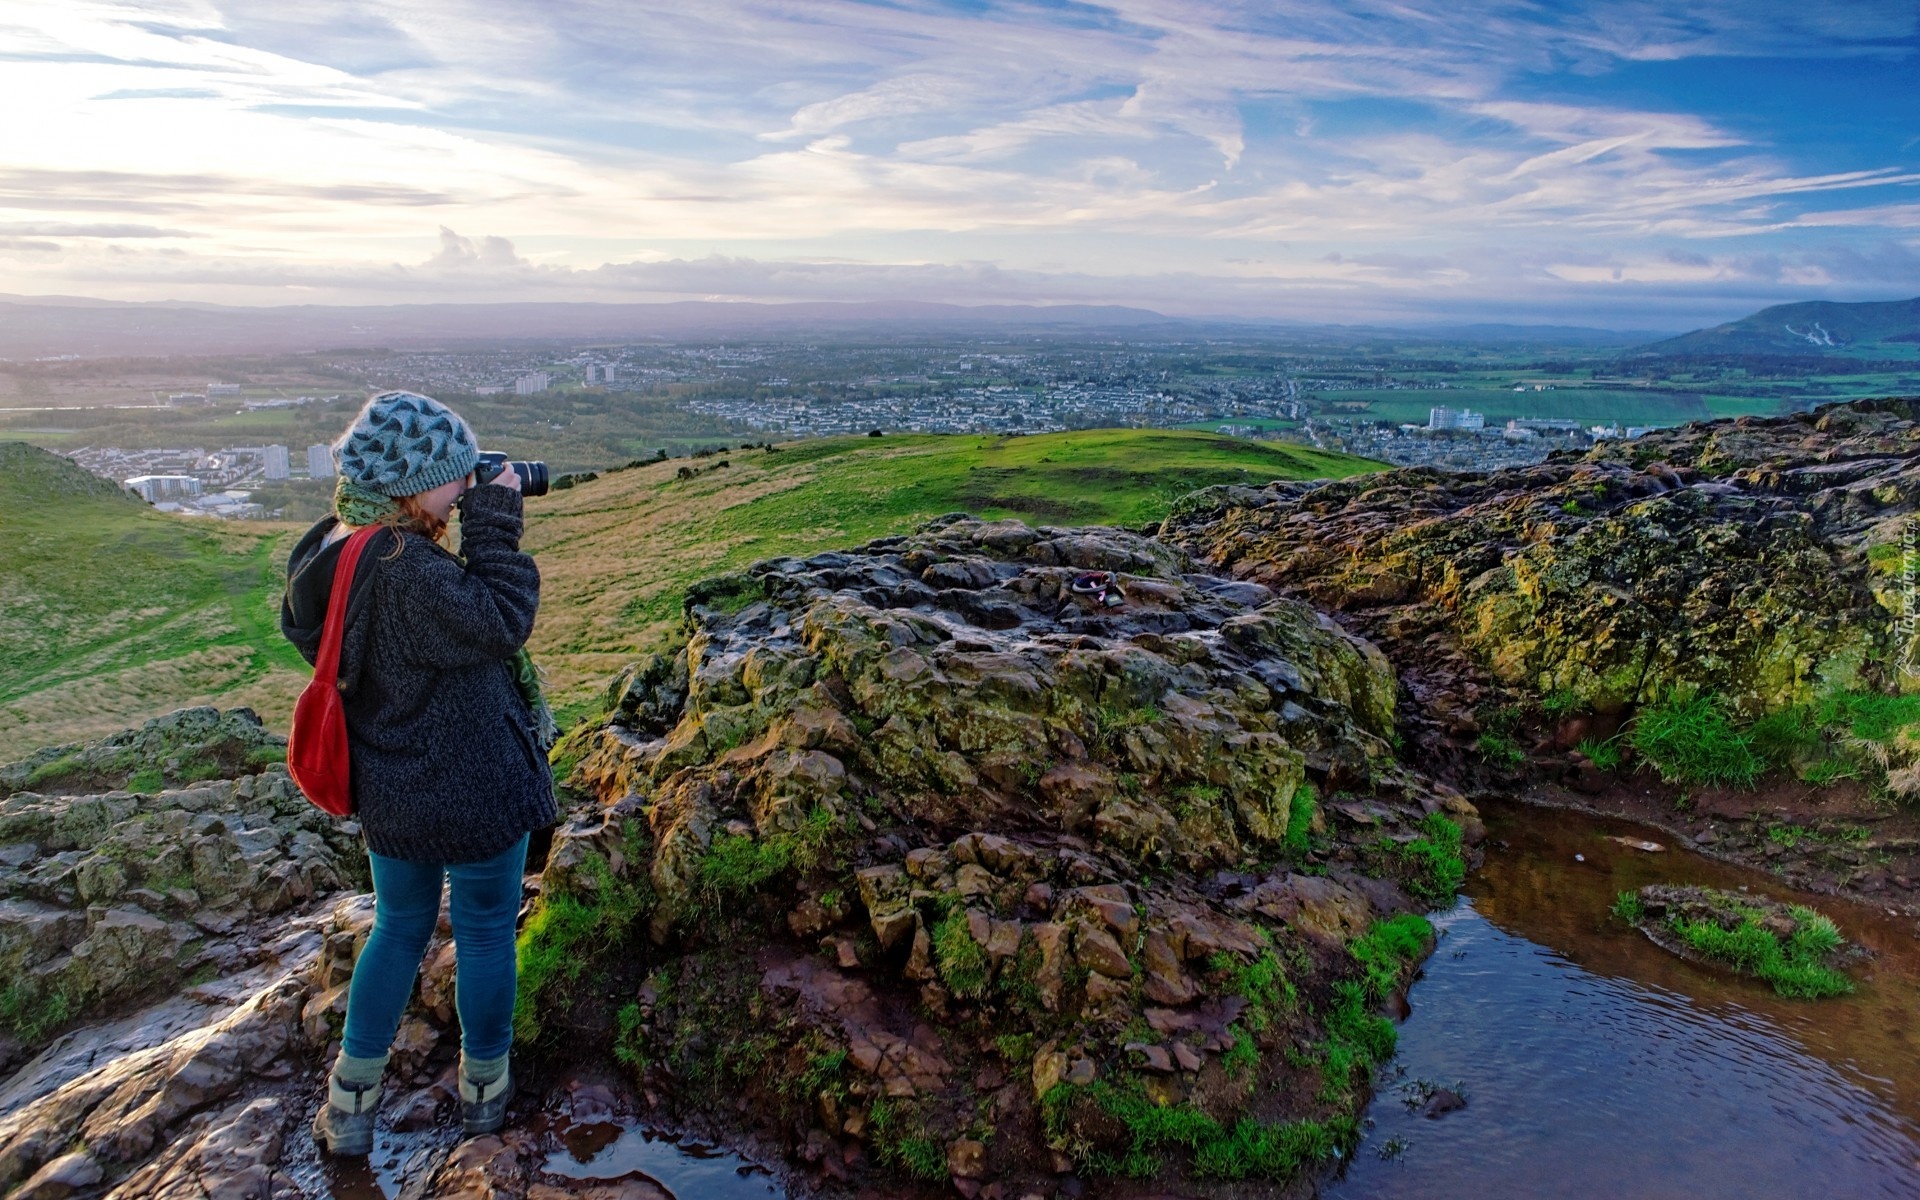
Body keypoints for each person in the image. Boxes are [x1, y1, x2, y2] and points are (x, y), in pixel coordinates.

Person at [281, 390, 558, 1156]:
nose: (467, 484)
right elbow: (501, 617)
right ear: (411, 487)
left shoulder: (339, 545)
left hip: (394, 789)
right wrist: (497, 520)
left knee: (397, 930)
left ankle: (350, 1102)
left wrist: (465, 500)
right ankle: (484, 1089)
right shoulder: (405, 566)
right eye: (454, 474)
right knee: (481, 933)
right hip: (475, 785)